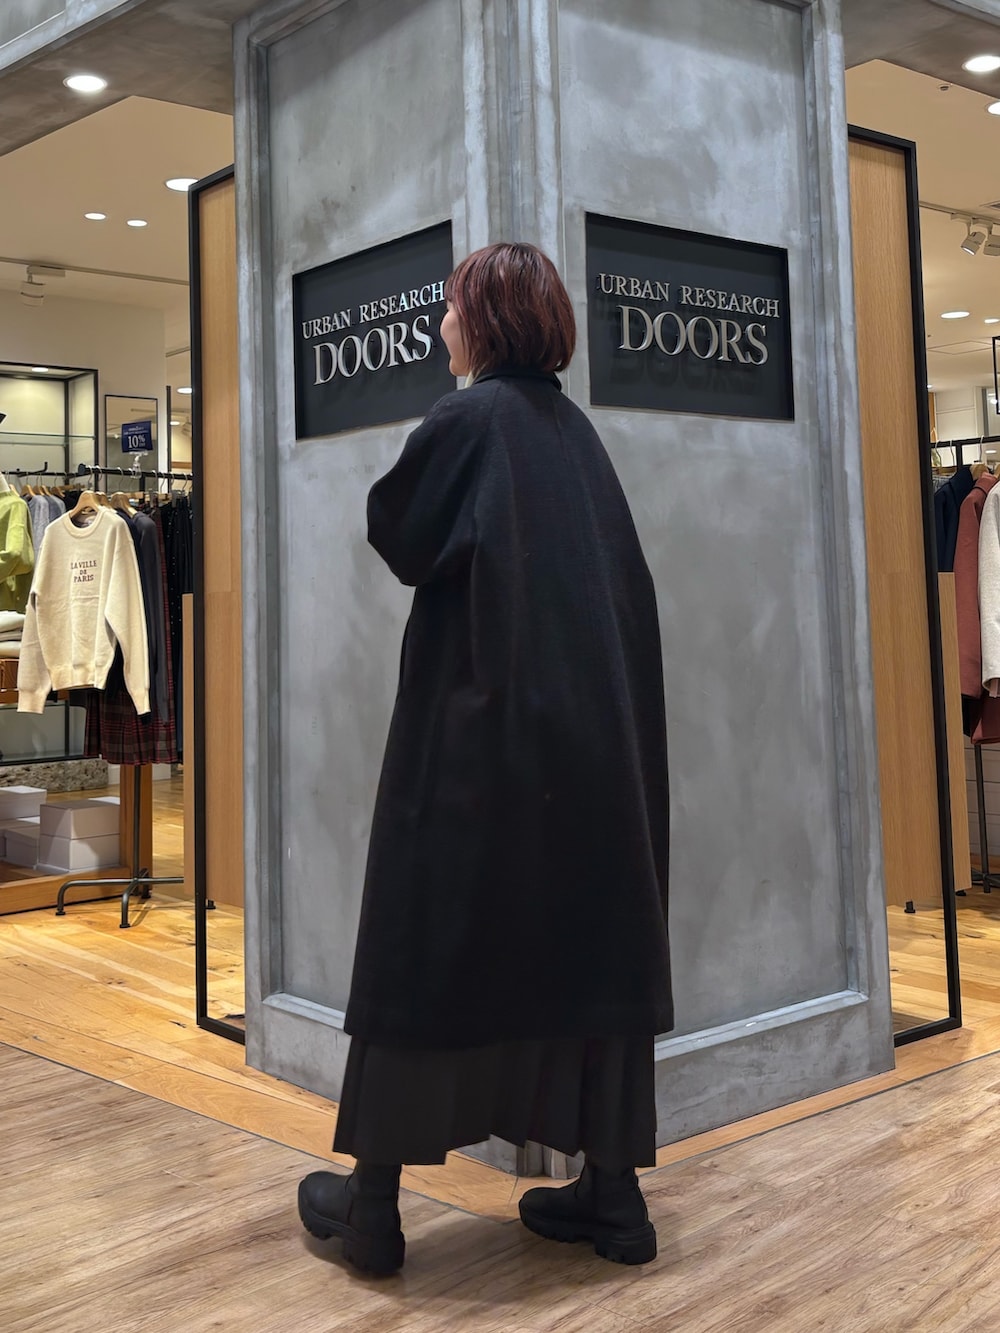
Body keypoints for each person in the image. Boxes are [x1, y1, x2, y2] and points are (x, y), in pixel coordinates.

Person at [297, 242, 673, 1277]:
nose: (441, 326)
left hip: (482, 745)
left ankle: (372, 1208)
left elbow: (400, 533)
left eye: (453, 308)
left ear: (488, 321)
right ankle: (615, 1196)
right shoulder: (578, 436)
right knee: (589, 945)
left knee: (426, 934)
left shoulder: (469, 421)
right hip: (599, 755)